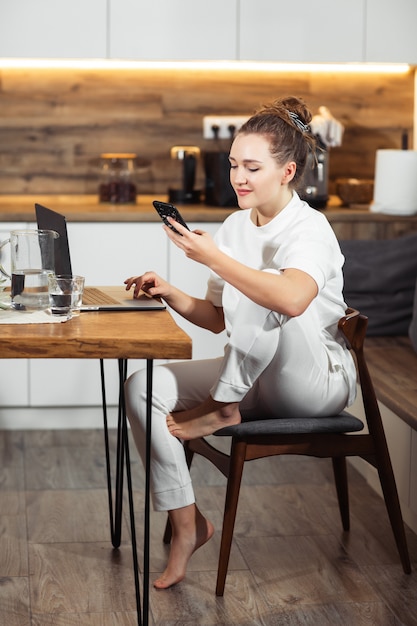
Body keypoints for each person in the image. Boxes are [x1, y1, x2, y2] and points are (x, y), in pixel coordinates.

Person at [124, 95, 357, 590]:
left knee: (266, 284)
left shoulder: (309, 228)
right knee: (142, 387)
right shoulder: (233, 227)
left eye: (252, 167)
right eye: (233, 165)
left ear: (288, 171)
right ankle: (189, 526)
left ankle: (224, 407)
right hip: (252, 371)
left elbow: (292, 301)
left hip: (314, 382)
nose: (238, 178)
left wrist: (214, 260)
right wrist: (171, 292)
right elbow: (216, 321)